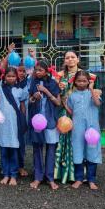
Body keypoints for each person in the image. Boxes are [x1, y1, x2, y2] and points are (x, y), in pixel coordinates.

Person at [55, 50, 98, 184]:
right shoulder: (58, 75)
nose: (70, 59)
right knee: (66, 143)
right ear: (64, 60)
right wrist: (58, 87)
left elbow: (96, 94)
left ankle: (84, 175)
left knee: (83, 144)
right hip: (64, 112)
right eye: (67, 57)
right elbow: (54, 92)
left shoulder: (89, 76)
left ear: (78, 59)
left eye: (73, 57)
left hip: (83, 114)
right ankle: (66, 174)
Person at [0, 67, 28, 186]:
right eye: (8, 76)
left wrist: (23, 121)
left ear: (17, 77)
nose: (11, 78)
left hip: (15, 124)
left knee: (14, 149)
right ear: (4, 77)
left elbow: (23, 106)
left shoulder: (20, 90)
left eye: (13, 76)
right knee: (4, 149)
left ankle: (13, 175)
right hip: (3, 124)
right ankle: (6, 174)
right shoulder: (0, 88)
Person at [28, 60, 61, 190]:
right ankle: (37, 177)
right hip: (36, 121)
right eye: (36, 70)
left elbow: (58, 102)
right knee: (37, 149)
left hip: (51, 121)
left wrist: (46, 92)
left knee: (51, 149)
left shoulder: (53, 83)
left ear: (46, 71)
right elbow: (30, 101)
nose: (37, 72)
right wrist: (34, 97)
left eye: (40, 70)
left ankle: (50, 178)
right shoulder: (33, 83)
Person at [66, 71, 102, 190]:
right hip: (78, 128)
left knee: (92, 151)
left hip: (92, 128)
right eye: (79, 81)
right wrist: (64, 104)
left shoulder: (94, 93)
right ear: (75, 82)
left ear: (89, 82)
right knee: (78, 150)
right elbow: (72, 112)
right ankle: (79, 179)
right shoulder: (72, 96)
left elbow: (97, 104)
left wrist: (91, 90)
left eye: (84, 81)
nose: (81, 83)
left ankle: (91, 179)